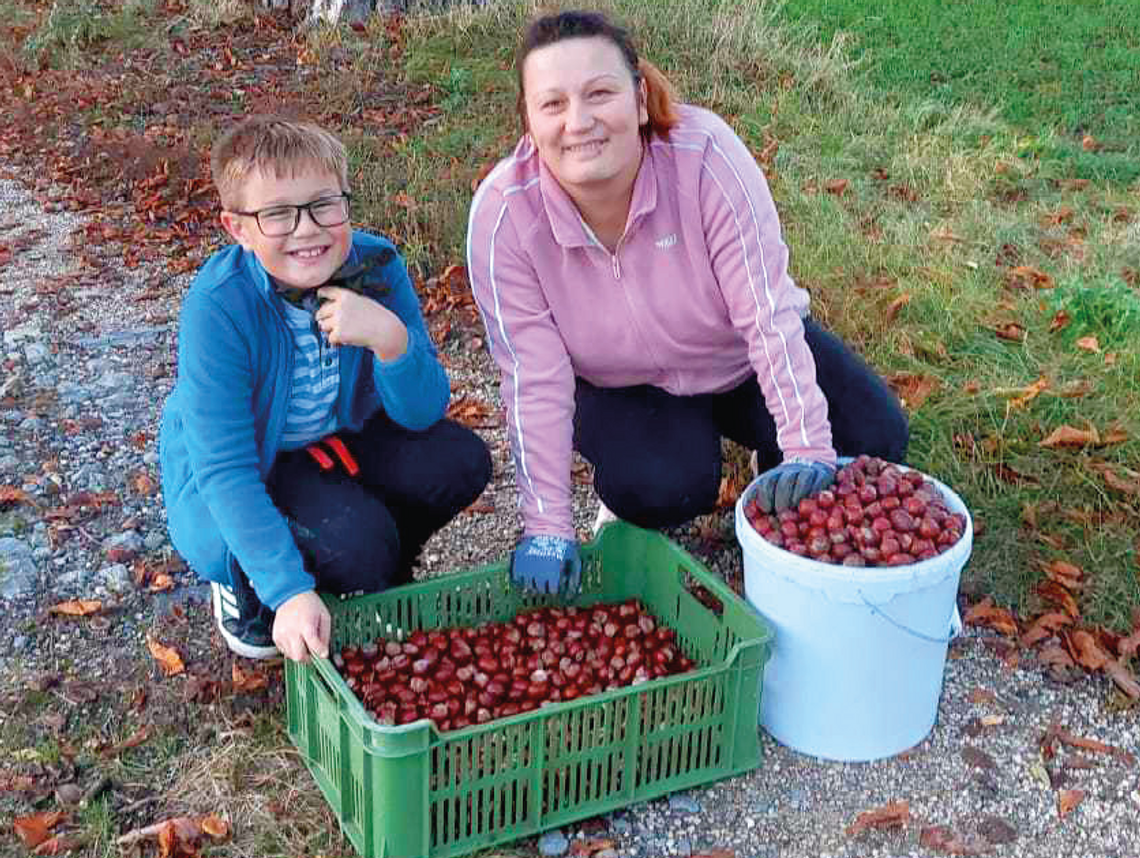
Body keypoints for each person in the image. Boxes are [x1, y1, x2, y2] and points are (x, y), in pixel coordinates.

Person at [466, 10, 908, 595]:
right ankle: (638, 494)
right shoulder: (503, 215)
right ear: (528, 120)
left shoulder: (704, 156)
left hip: (736, 361)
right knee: (660, 486)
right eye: (553, 104)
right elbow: (533, 376)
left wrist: (805, 446)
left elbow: (768, 316)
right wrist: (547, 524)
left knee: (874, 432)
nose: (579, 121)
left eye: (600, 93)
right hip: (621, 384)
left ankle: (769, 465)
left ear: (640, 98)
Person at [161, 116, 492, 662]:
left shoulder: (376, 264)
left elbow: (423, 411)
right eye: (277, 214)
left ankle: (371, 565)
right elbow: (225, 468)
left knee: (460, 461)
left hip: (339, 437)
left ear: (346, 202)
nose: (307, 229)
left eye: (323, 205)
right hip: (261, 461)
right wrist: (287, 591)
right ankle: (249, 586)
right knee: (353, 546)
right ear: (237, 227)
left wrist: (391, 342)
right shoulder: (218, 306)